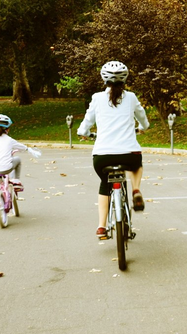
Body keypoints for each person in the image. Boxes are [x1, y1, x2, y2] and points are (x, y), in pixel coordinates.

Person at [77, 61, 150, 239]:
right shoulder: (131, 97)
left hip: (102, 156)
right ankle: (135, 190)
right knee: (136, 166)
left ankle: (102, 226)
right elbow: (144, 121)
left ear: (104, 79)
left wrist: (83, 133)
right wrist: (142, 127)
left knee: (105, 184)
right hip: (129, 154)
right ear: (125, 79)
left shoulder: (96, 98)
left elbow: (86, 123)